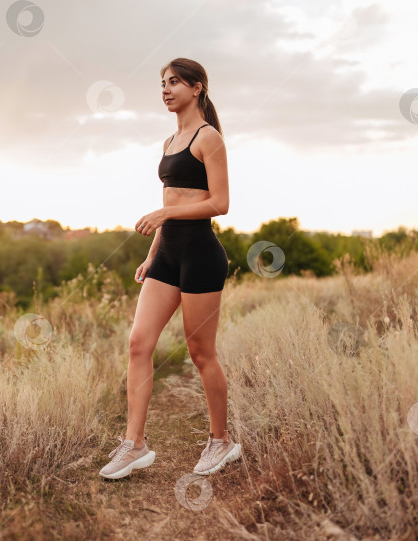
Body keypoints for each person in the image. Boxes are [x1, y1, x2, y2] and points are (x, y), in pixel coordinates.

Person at [99, 58, 242, 480]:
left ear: (196, 88)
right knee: (138, 344)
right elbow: (172, 202)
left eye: (174, 82)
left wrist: (163, 217)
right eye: (162, 83)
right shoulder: (169, 142)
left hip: (200, 253)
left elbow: (220, 203)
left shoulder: (208, 137)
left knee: (200, 353)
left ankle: (221, 441)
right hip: (167, 257)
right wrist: (152, 253)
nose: (166, 89)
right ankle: (135, 445)